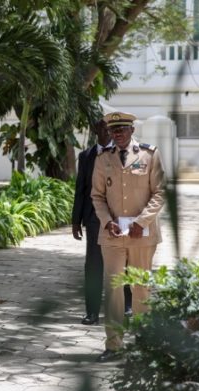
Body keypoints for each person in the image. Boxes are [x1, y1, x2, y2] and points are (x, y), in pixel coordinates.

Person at [91, 111, 165, 362]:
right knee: (113, 290)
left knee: (141, 289)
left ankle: (144, 346)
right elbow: (97, 196)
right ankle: (114, 346)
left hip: (142, 235)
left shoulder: (150, 154)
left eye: (122, 129)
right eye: (113, 130)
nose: (118, 134)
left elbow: (160, 193)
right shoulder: (103, 159)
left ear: (132, 130)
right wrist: (106, 221)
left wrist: (141, 221)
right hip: (112, 236)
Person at [72, 120, 133, 325]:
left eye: (109, 128)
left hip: (121, 218)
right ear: (95, 131)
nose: (105, 132)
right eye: (100, 128)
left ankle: (127, 307)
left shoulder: (126, 153)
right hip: (94, 219)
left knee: (124, 262)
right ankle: (92, 312)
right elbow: (81, 189)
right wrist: (76, 220)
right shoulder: (86, 156)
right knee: (94, 265)